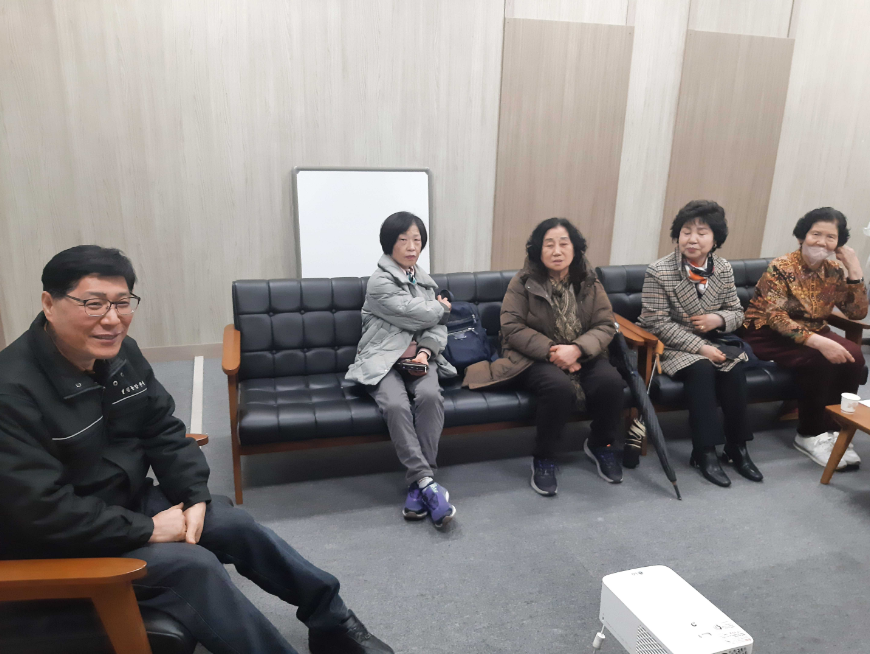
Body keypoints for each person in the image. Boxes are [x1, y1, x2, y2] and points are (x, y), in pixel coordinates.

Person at [0, 245, 393, 654]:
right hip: (61, 545)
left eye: (122, 303)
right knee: (193, 566)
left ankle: (332, 621)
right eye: (93, 304)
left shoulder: (120, 354)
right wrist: (148, 529)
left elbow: (162, 429)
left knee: (232, 523)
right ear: (50, 304)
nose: (112, 319)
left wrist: (193, 496)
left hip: (123, 504)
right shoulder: (11, 392)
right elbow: (41, 513)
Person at [464, 217, 625, 496]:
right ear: (539, 250)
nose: (557, 251)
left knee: (611, 382)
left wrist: (577, 349)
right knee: (557, 387)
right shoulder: (523, 281)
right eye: (549, 244)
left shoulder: (589, 281)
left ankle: (600, 444)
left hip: (583, 353)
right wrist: (553, 351)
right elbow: (512, 327)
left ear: (575, 249)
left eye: (564, 244)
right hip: (533, 356)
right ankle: (544, 456)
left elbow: (605, 324)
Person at [346, 212, 458, 527]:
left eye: (417, 240)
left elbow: (437, 328)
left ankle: (419, 485)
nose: (411, 247)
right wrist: (442, 307)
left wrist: (424, 352)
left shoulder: (424, 281)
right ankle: (426, 482)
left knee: (430, 397)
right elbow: (415, 313)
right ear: (389, 244)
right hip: (382, 358)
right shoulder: (380, 282)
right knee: (395, 404)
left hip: (418, 359)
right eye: (403, 239)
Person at [639, 201, 762, 487]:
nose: (692, 239)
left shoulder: (723, 268)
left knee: (734, 369)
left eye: (702, 233)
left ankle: (737, 447)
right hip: (672, 345)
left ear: (715, 239)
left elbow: (736, 312)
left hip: (714, 339)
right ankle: (704, 451)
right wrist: (700, 347)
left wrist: (717, 319)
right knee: (702, 369)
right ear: (677, 236)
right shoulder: (659, 271)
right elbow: (657, 324)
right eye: (686, 232)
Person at [742, 207, 868, 470]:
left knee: (854, 357)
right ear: (802, 236)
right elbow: (775, 316)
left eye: (830, 237)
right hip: (768, 333)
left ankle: (835, 430)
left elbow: (856, 313)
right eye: (816, 234)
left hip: (814, 332)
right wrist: (819, 342)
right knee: (820, 359)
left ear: (838, 244)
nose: (822, 242)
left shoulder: (834, 270)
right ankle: (810, 434)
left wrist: (854, 269)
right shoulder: (781, 266)